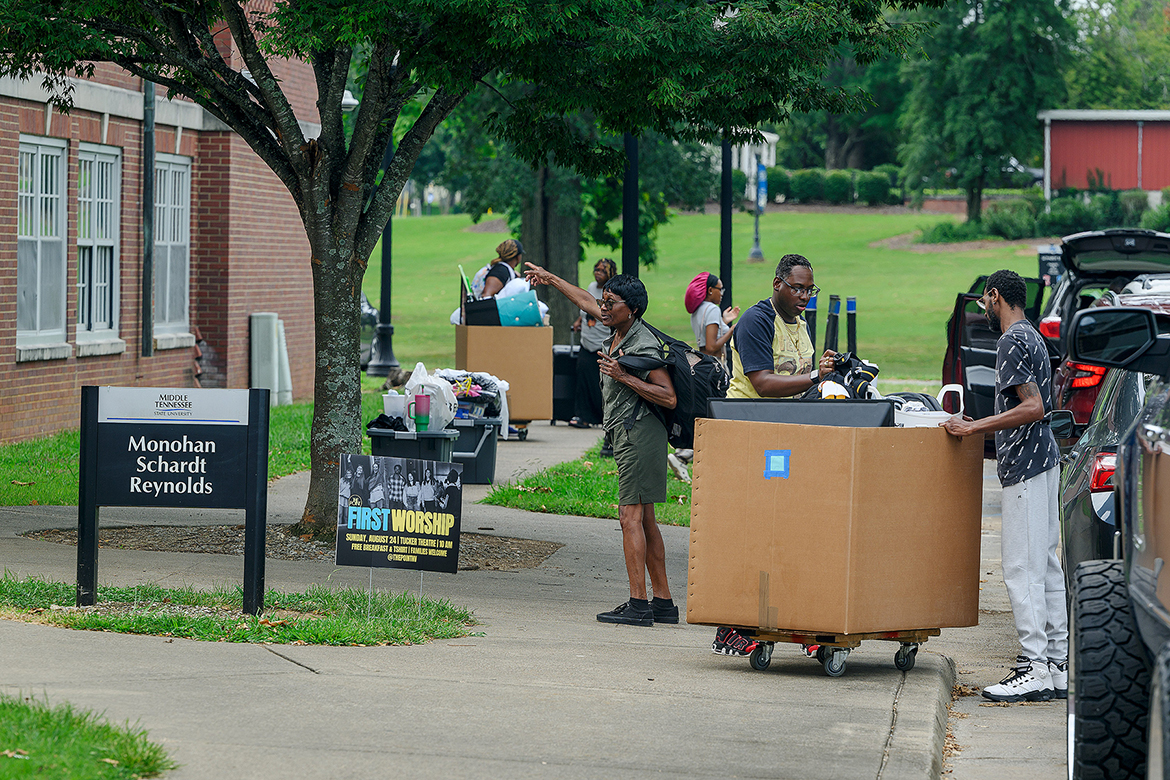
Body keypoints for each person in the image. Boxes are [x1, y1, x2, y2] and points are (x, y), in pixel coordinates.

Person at [525, 261, 679, 627]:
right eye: (604, 301)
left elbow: (668, 396)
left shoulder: (641, 344)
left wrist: (624, 376)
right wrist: (550, 277)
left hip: (639, 435)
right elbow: (584, 300)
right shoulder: (621, 326)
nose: (603, 308)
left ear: (633, 309)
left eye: (611, 303)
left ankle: (639, 604)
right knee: (647, 520)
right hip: (633, 433)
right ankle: (663, 603)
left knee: (630, 518)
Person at [943, 269, 1067, 703]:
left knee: (1021, 570)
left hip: (1027, 466)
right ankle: (1057, 663)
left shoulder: (1011, 340)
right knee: (1047, 566)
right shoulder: (1033, 335)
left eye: (984, 303)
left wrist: (975, 425)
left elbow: (1032, 406)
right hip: (1045, 461)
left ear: (995, 296)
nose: (984, 310)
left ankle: (1034, 667)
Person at [712, 253, 838, 658]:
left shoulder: (800, 324)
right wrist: (815, 376)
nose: (804, 296)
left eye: (809, 289)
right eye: (797, 287)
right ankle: (729, 626)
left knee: (790, 531)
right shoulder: (755, 321)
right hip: (750, 430)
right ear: (777, 284)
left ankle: (793, 620)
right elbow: (764, 383)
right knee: (753, 530)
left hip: (788, 432)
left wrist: (826, 376)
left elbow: (799, 379)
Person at [569, 258, 617, 429]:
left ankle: (603, 418)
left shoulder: (612, 292)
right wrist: (578, 321)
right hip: (586, 342)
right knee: (583, 380)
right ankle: (583, 416)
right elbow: (587, 307)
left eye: (603, 271)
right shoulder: (590, 288)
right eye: (596, 269)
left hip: (602, 344)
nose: (598, 273)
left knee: (600, 383)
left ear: (611, 273)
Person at [686, 272, 739, 366]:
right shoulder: (713, 309)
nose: (722, 294)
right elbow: (711, 347)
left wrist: (724, 321)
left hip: (703, 363)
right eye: (720, 289)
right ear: (710, 290)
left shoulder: (698, 309)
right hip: (714, 364)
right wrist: (732, 330)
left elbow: (708, 332)